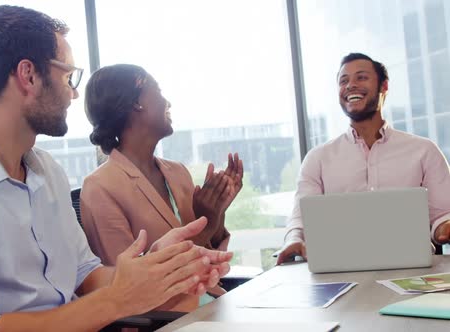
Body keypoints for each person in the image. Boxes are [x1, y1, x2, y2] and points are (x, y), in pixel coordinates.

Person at [0, 6, 232, 332]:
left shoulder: (45, 170)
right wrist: (117, 300)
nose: (73, 95)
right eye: (68, 77)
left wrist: (154, 268)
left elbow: (85, 274)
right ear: (28, 76)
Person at [81, 64, 243, 311]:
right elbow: (128, 290)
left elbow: (207, 259)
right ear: (136, 102)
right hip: (165, 321)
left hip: (211, 306)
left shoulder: (177, 172)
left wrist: (215, 212)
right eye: (157, 90)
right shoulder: (100, 188)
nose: (168, 102)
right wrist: (206, 221)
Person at [276, 53, 450, 265]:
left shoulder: (424, 151)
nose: (350, 85)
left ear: (384, 86)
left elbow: (442, 216)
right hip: (337, 271)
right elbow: (300, 220)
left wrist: (445, 227)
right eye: (344, 81)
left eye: (361, 77)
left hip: (412, 270)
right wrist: (294, 240)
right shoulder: (317, 159)